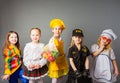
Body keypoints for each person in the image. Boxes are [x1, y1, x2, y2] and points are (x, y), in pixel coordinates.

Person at [46, 18, 68, 83]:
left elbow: (60, 50)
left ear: (62, 30)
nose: (57, 31)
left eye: (59, 29)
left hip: (61, 60)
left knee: (61, 77)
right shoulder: (52, 40)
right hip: (55, 62)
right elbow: (51, 52)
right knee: (55, 78)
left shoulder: (61, 39)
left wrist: (63, 54)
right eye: (55, 29)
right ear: (52, 30)